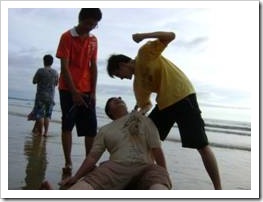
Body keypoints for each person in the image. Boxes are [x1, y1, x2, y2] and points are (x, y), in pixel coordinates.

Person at [106, 31, 222, 190]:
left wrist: (143, 36)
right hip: (165, 104)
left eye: (117, 74)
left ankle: (219, 190)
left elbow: (171, 36)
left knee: (201, 145)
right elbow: (146, 105)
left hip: (182, 94)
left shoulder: (144, 53)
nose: (121, 78)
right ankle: (150, 177)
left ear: (122, 65)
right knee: (147, 138)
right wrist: (137, 115)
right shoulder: (137, 85)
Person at [41, 97, 172, 190]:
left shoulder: (144, 120)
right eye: (113, 100)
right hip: (116, 167)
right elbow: (92, 157)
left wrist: (164, 175)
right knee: (94, 179)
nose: (119, 98)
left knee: (158, 179)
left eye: (120, 98)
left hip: (146, 167)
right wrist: (76, 177)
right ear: (110, 111)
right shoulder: (105, 130)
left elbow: (156, 149)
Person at [56, 8, 102, 175]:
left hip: (88, 89)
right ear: (80, 19)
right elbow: (64, 67)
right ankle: (68, 162)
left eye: (94, 25)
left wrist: (94, 92)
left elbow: (94, 66)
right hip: (67, 89)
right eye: (89, 23)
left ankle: (88, 162)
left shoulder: (93, 40)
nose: (91, 27)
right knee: (67, 125)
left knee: (91, 129)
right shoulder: (67, 37)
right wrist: (74, 92)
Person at [30, 54, 58, 137]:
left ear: (44, 61)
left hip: (40, 96)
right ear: (52, 63)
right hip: (50, 97)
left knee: (40, 114)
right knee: (48, 115)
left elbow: (34, 81)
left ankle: (40, 132)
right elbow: (56, 84)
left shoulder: (40, 71)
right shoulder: (55, 72)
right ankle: (46, 132)